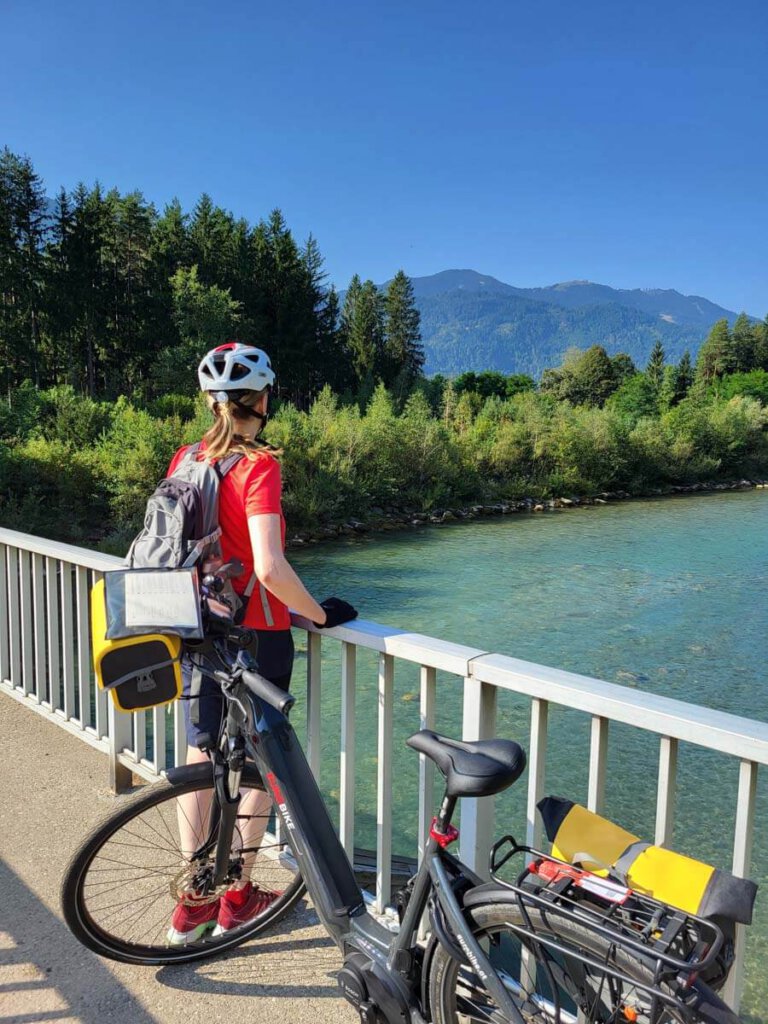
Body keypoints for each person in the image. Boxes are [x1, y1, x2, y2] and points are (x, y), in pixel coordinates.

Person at [167, 341, 357, 945]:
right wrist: (319, 615)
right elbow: (271, 568)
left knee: (202, 757)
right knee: (254, 763)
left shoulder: (186, 457)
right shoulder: (260, 466)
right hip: (259, 636)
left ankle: (193, 902)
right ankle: (240, 896)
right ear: (262, 400)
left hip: (200, 628)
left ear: (210, 402)